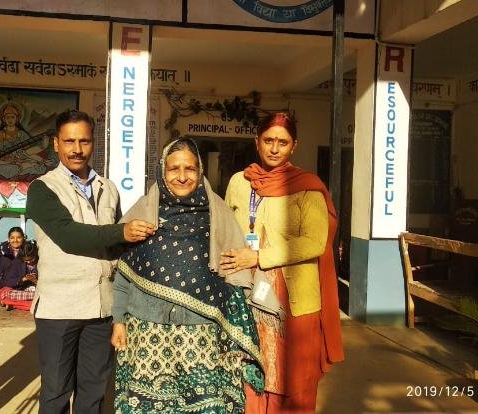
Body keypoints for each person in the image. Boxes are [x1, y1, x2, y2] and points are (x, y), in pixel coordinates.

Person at [111, 138, 264, 413]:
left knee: (201, 405)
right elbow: (123, 274)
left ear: (200, 170)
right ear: (162, 171)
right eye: (174, 169)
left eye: (190, 169)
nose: (182, 176)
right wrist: (118, 320)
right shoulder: (143, 212)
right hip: (147, 332)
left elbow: (235, 276)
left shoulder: (219, 214)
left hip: (201, 334)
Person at [25, 109, 156, 414]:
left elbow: (118, 246)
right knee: (56, 393)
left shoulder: (108, 188)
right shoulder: (42, 188)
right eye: (69, 141)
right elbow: (68, 236)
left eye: (83, 141)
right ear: (56, 144)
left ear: (93, 143)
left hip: (101, 307)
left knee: (94, 394)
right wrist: (122, 231)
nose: (77, 149)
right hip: (59, 308)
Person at [220, 112, 344, 413]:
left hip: (293, 300)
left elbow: (315, 241)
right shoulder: (239, 182)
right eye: (269, 140)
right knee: (248, 369)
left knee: (293, 378)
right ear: (257, 142)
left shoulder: (307, 186)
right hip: (246, 292)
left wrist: (260, 256)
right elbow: (225, 228)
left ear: (294, 146)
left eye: (283, 142)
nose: (274, 148)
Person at [1, 240, 38, 311]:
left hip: (36, 291)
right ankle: (20, 304)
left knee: (40, 295)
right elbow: (9, 281)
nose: (29, 262)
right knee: (5, 292)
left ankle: (13, 303)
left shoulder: (41, 262)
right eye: (26, 260)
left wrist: (35, 281)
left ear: (35, 255)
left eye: (31, 259)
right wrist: (23, 279)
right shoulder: (17, 262)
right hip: (22, 290)